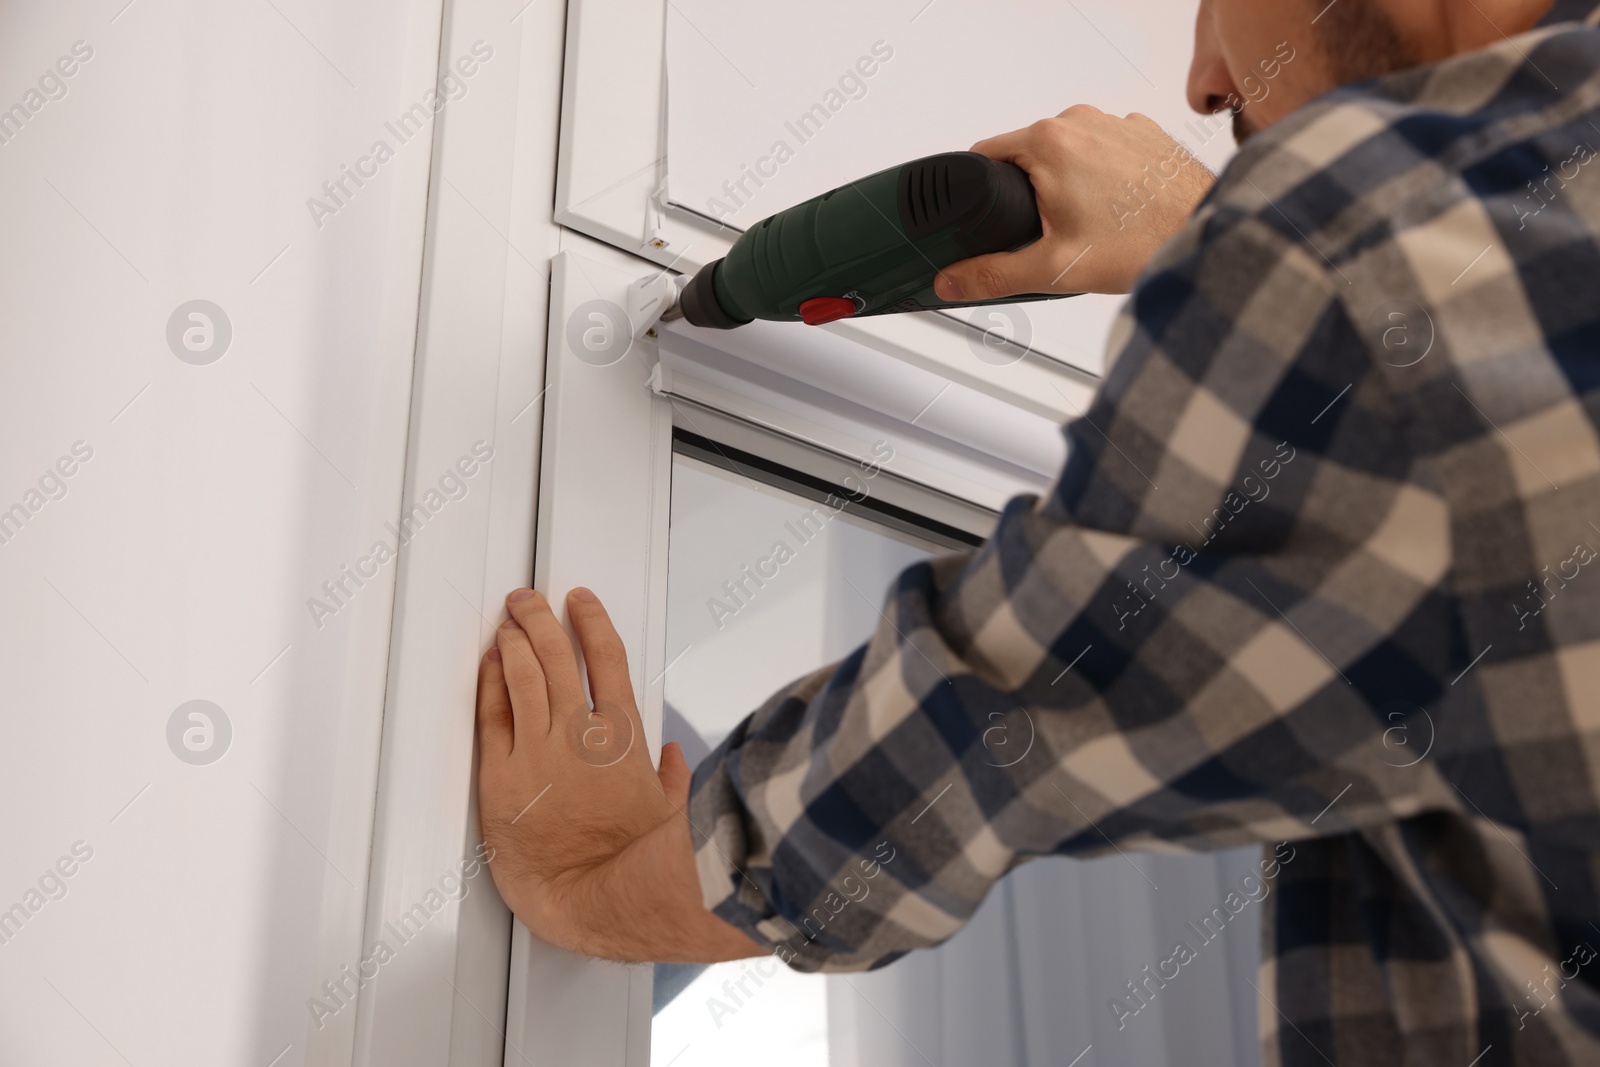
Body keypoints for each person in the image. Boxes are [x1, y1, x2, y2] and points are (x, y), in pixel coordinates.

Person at [473, 1, 1600, 1062]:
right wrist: (1225, 254)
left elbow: (975, 731)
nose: (1206, 86)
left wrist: (584, 875)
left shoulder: (1361, 256)